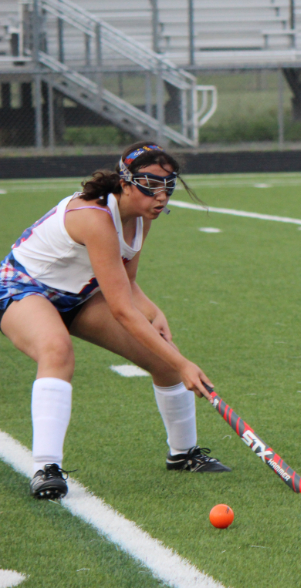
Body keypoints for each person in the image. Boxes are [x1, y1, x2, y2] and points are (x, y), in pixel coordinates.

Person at [0, 143, 229, 501]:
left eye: (168, 186)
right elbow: (122, 309)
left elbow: (128, 283)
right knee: (57, 350)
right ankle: (46, 467)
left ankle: (184, 454)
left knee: (162, 359)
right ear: (125, 183)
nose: (161, 196)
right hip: (23, 286)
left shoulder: (139, 219)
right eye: (150, 184)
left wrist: (155, 312)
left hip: (79, 294)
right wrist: (184, 363)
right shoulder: (94, 217)